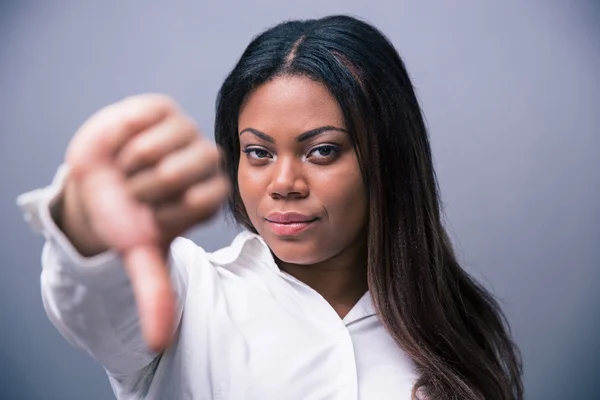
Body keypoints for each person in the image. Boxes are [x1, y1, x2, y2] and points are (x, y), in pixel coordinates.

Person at [18, 15, 523, 400]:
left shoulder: (457, 326)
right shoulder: (190, 295)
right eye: (258, 153)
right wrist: (86, 219)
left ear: (387, 158)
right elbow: (94, 300)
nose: (283, 184)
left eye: (322, 150)